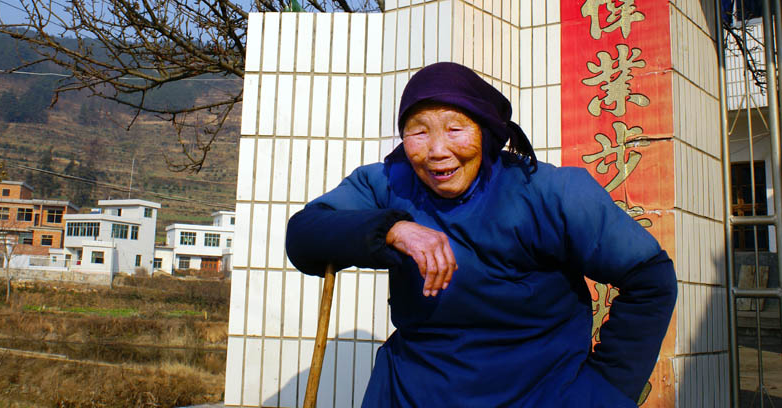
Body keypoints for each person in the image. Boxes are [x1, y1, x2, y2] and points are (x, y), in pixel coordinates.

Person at [286, 62, 677, 407]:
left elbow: (649, 277)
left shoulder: (550, 193)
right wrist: (392, 228)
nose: (437, 150)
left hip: (541, 393)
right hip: (411, 393)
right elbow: (304, 235)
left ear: (486, 133)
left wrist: (604, 392)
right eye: (418, 133)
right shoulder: (388, 185)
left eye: (455, 129)